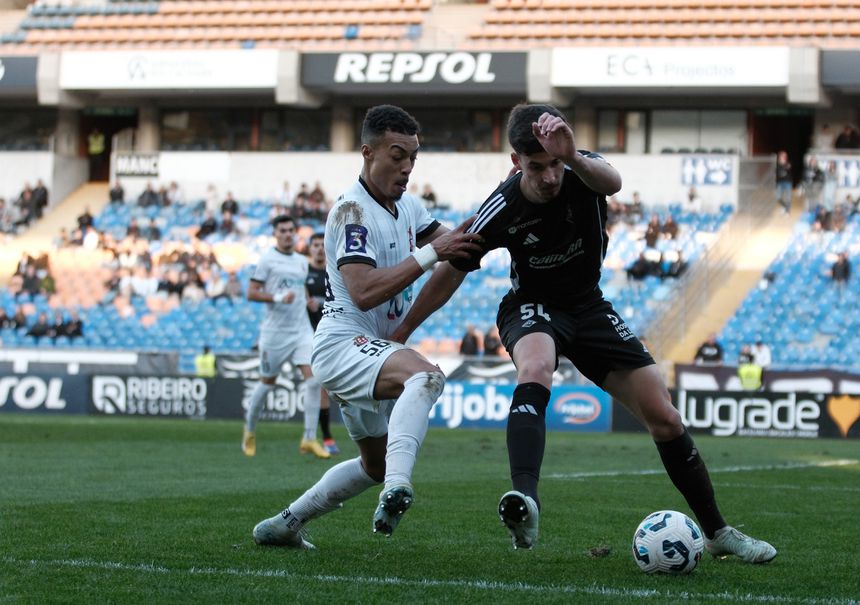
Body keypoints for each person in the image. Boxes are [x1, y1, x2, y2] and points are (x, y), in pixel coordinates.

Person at [389, 103, 775, 562]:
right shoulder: (502, 206)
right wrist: (405, 329)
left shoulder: (581, 168)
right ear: (516, 162)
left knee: (666, 417)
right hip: (533, 306)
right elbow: (454, 269)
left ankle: (718, 533)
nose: (550, 176)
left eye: (555, 164)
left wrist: (570, 155)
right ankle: (525, 501)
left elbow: (612, 183)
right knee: (535, 366)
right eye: (537, 167)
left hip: (589, 306)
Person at [251, 104, 481, 548]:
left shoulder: (410, 207)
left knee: (371, 465)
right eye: (398, 155)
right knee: (426, 377)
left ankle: (285, 523)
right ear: (367, 152)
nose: (407, 167)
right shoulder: (352, 213)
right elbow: (363, 291)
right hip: (340, 344)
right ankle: (399, 485)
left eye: (413, 157)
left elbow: (459, 251)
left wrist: (499, 217)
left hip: (371, 348)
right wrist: (436, 253)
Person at [242, 215, 329, 460]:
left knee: (314, 379)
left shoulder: (302, 262)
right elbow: (252, 292)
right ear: (276, 234)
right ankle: (249, 430)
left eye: (291, 230)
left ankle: (309, 438)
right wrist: (278, 298)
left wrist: (307, 300)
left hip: (301, 330)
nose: (288, 234)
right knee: (266, 384)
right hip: (275, 334)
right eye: (283, 230)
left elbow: (300, 286)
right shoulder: (268, 260)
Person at [305, 231, 339, 455]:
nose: (318, 248)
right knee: (317, 387)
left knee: (324, 388)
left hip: (330, 337)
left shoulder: (334, 271)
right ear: (309, 248)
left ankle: (319, 436)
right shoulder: (302, 274)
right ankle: (323, 437)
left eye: (321, 245)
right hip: (305, 336)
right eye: (314, 245)